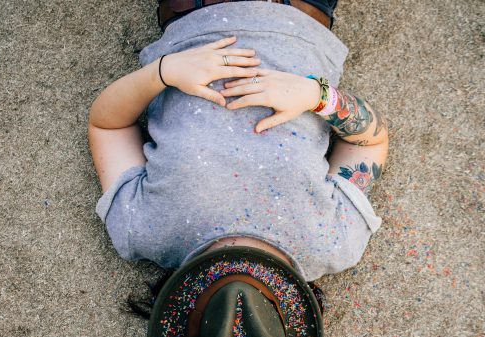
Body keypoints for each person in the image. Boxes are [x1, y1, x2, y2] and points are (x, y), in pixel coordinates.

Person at [88, 0, 388, 318]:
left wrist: (163, 73)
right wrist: (319, 97)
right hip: (302, 12)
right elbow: (370, 142)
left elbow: (107, 125)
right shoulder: (333, 241)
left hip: (194, 12)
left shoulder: (143, 229)